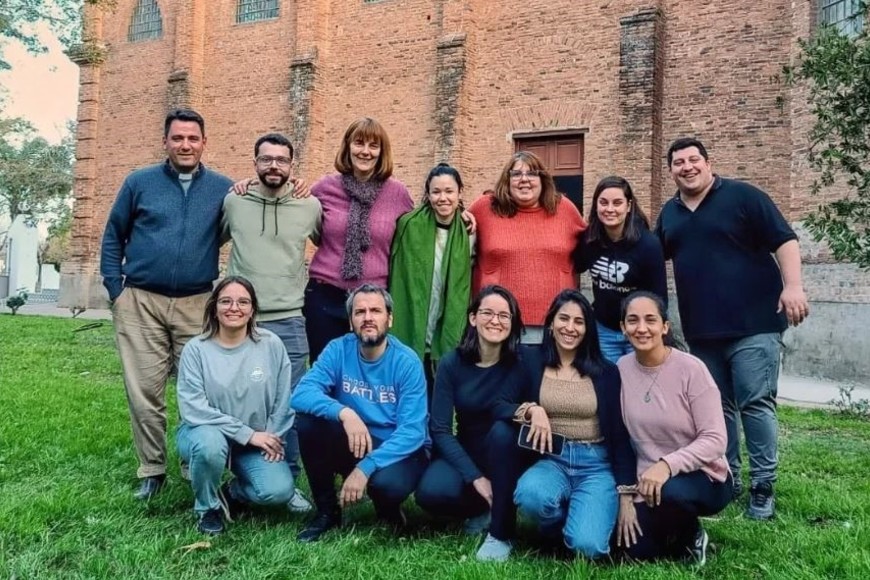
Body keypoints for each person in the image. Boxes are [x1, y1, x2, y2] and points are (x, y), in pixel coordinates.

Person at [655, 137, 809, 519]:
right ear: (670, 170)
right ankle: (728, 478)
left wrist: (793, 286)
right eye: (678, 162)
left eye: (694, 160)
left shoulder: (744, 197)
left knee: (755, 403)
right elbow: (651, 257)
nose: (687, 167)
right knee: (716, 409)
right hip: (703, 331)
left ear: (708, 163)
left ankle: (763, 487)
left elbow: (785, 240)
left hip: (754, 324)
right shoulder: (670, 214)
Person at [100, 109, 234, 500]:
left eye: (193, 138)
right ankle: (152, 469)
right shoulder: (138, 183)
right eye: (178, 138)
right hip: (140, 301)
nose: (185, 145)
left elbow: (232, 227)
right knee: (145, 391)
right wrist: (115, 289)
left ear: (204, 142)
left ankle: (196, 461)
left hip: (197, 302)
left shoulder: (223, 189)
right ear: (166, 142)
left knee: (201, 391)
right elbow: (113, 236)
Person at [220, 132, 321, 513]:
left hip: (290, 319)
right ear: (255, 162)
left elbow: (328, 240)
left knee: (290, 403)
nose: (274, 166)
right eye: (266, 159)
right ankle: (227, 470)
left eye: (281, 160)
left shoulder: (308, 205)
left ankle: (288, 478)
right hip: (240, 321)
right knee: (236, 397)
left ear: (292, 165)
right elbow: (211, 239)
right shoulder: (235, 200)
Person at [290, 284, 429, 543]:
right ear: (351, 320)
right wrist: (345, 412)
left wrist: (364, 468)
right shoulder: (338, 349)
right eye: (359, 311)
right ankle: (327, 512)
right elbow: (300, 394)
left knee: (388, 485)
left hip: (397, 447)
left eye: (375, 311)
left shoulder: (407, 362)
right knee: (309, 423)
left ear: (389, 318)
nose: (368, 318)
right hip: (355, 438)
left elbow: (413, 431)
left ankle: (388, 508)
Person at [510, 290, 635, 559]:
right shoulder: (530, 360)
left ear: (588, 328)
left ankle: (580, 526)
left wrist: (626, 494)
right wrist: (532, 409)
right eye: (563, 319)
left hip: (596, 464)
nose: (570, 327)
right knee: (530, 496)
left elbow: (619, 433)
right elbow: (501, 402)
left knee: (588, 548)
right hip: (552, 459)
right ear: (551, 324)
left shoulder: (606, 372)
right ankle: (556, 530)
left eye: (579, 322)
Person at [414, 285, 532, 562]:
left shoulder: (523, 362)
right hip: (468, 451)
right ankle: (482, 508)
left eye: (504, 315)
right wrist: (476, 477)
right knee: (430, 492)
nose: (495, 320)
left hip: (509, 453)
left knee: (503, 432)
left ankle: (503, 521)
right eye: (487, 313)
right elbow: (441, 429)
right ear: (472, 318)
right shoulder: (452, 363)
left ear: (513, 322)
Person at [615, 291, 732, 566]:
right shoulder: (620, 369)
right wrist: (627, 493)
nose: (641, 328)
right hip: (646, 482)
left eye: (650, 320)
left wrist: (666, 465)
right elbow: (620, 439)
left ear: (664, 326)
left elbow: (715, 439)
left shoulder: (692, 369)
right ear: (622, 328)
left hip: (703, 477)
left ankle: (692, 536)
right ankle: (668, 531)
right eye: (632, 320)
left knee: (671, 492)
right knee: (628, 550)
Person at [175, 276, 296, 535]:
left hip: (256, 440)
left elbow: (282, 398)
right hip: (203, 433)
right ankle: (207, 508)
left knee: (278, 491)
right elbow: (194, 408)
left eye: (243, 302)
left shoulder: (271, 344)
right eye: (226, 301)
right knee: (209, 446)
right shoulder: (196, 350)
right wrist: (247, 434)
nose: (234, 308)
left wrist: (272, 437)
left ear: (252, 309)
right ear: (214, 308)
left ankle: (232, 493)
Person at [303, 117, 414, 363]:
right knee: (326, 368)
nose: (365, 151)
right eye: (359, 143)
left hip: (372, 299)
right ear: (347, 146)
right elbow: (292, 205)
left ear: (382, 152)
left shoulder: (398, 194)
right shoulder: (324, 187)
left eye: (373, 146)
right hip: (325, 295)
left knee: (369, 369)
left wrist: (464, 215)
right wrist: (251, 185)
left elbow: (421, 226)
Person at [469, 151, 586, 343]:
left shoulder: (564, 209)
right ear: (507, 179)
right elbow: (453, 228)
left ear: (543, 179)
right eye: (516, 174)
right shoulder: (484, 208)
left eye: (532, 173)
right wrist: (459, 213)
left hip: (554, 323)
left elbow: (596, 239)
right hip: (496, 322)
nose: (524, 179)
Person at [389, 162, 473, 398]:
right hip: (412, 322)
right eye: (436, 192)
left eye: (449, 191)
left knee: (438, 399)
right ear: (427, 194)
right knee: (408, 396)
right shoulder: (408, 225)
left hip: (444, 323)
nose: (442, 198)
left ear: (460, 193)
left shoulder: (469, 233)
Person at [575, 176, 667, 363]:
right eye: (603, 203)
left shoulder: (648, 245)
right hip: (604, 330)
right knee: (610, 385)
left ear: (629, 205)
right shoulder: (589, 239)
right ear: (596, 205)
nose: (610, 209)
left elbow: (659, 297)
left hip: (638, 331)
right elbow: (575, 265)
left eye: (617, 203)